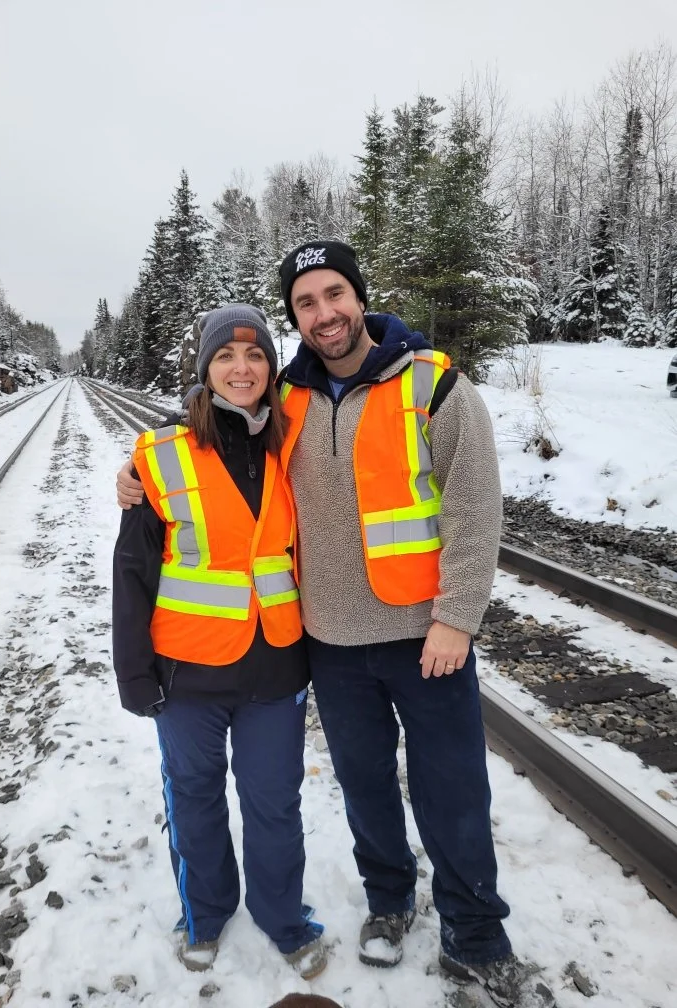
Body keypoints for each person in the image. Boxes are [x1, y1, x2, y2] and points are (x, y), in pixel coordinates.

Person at [117, 245, 551, 1008]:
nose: (324, 313)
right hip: (331, 642)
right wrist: (137, 465)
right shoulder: (289, 398)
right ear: (297, 320)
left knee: (452, 790)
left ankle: (475, 934)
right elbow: (218, 416)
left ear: (359, 296)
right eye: (306, 304)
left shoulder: (433, 382)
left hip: (428, 639)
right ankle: (389, 901)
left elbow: (476, 508)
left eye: (334, 294)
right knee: (365, 787)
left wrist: (457, 618)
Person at [112, 304, 326, 980]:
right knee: (194, 797)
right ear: (205, 368)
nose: (242, 368)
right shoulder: (161, 455)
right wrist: (134, 673)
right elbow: (133, 569)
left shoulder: (294, 448)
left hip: (275, 669)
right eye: (227, 357)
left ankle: (282, 916)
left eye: (257, 355)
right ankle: (204, 913)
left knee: (275, 802)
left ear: (272, 368)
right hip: (186, 674)